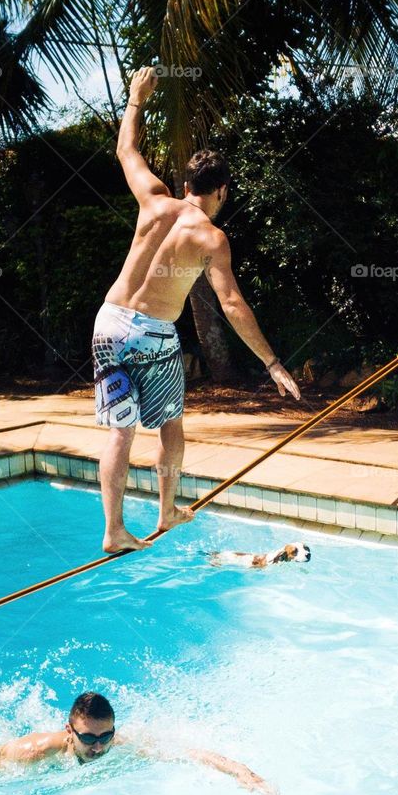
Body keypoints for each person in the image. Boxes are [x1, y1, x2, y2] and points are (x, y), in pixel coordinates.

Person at [92, 66, 301, 554]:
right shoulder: (210, 236)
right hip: (151, 334)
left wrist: (136, 99)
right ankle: (166, 509)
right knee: (169, 425)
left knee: (120, 430)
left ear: (187, 183)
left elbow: (126, 150)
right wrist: (271, 362)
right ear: (221, 191)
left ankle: (113, 531)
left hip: (108, 323)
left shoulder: (153, 200)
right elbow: (231, 304)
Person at [0, 690, 278, 795]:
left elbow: (191, 753)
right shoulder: (33, 752)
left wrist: (245, 774)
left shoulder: (119, 742)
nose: (100, 747)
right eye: (89, 738)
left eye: (106, 736)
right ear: (70, 732)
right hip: (2, 753)